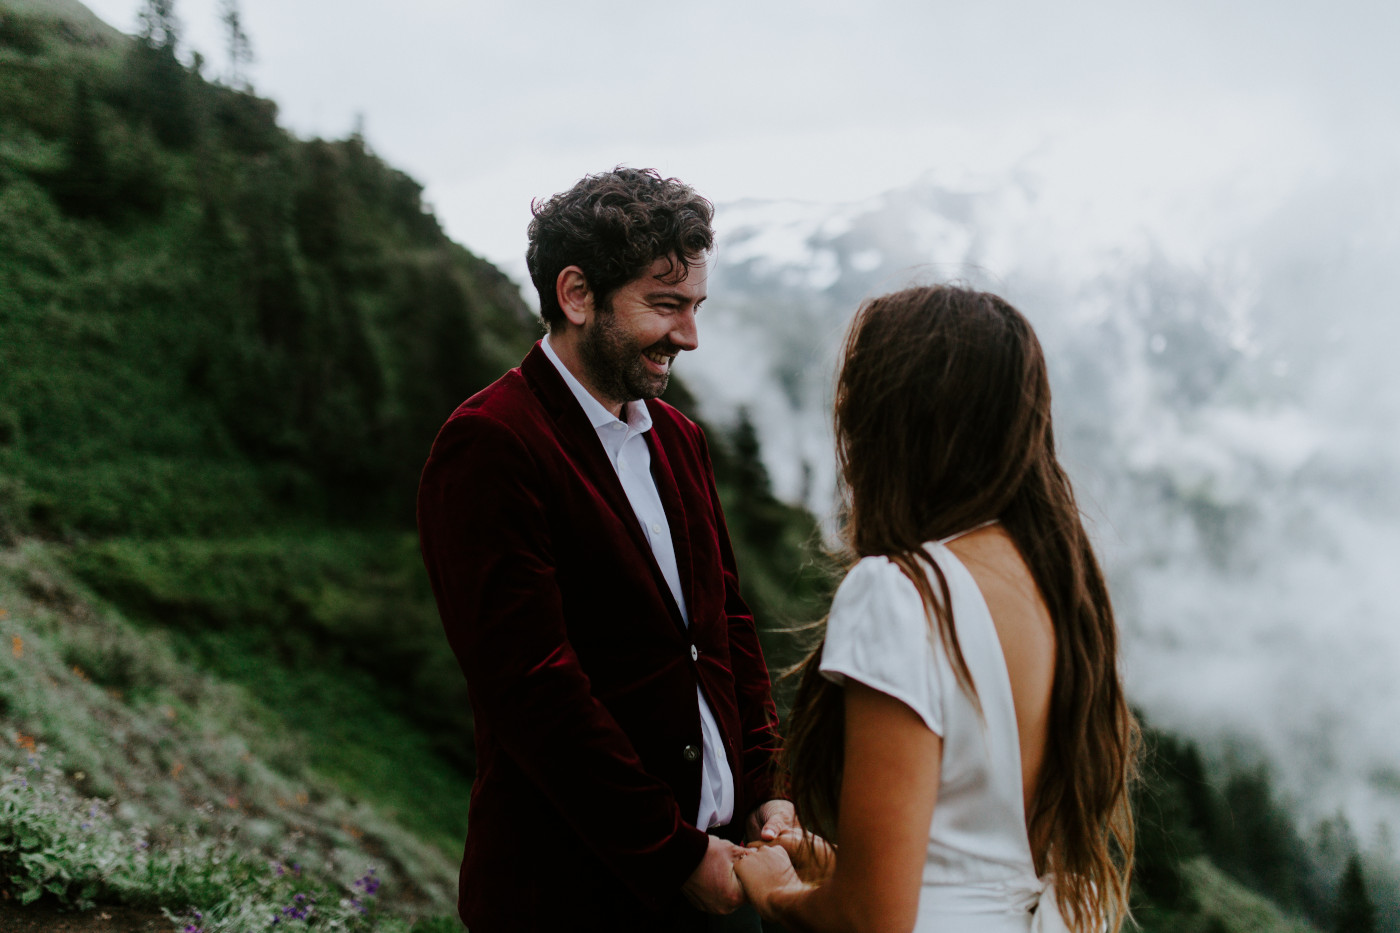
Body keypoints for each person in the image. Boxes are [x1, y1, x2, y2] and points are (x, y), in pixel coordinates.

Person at [416, 167, 794, 933]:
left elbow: (730, 630)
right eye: (665, 305)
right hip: (573, 894)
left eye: (694, 307)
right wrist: (672, 854)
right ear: (577, 294)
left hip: (721, 876)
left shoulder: (679, 439)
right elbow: (533, 687)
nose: (688, 335)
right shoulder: (490, 443)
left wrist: (767, 787)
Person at [733, 286, 1139, 933]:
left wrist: (778, 891)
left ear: (892, 418)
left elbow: (874, 919)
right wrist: (841, 864)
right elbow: (971, 855)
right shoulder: (1056, 586)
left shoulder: (899, 591)